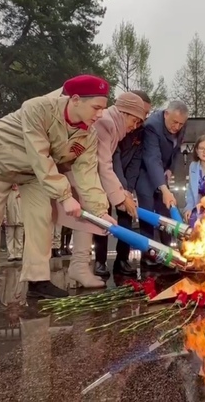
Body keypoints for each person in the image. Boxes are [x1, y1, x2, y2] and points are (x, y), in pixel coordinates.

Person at [0, 75, 112, 312]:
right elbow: (39, 154)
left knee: (42, 219)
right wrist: (65, 196)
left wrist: (100, 211)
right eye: (96, 107)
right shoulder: (37, 108)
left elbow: (87, 173)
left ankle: (37, 280)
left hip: (34, 174)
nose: (100, 114)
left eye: (103, 108)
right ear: (75, 100)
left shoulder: (89, 135)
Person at [70, 92, 146, 282]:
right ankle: (79, 266)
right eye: (134, 121)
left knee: (90, 215)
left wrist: (122, 192)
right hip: (76, 173)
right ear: (125, 113)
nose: (134, 127)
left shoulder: (114, 127)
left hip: (85, 175)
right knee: (92, 213)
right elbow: (104, 164)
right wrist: (120, 198)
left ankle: (79, 267)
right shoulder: (107, 123)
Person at [94, 90, 152, 278]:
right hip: (108, 174)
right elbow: (112, 158)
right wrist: (120, 189)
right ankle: (100, 261)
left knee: (126, 218)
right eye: (140, 113)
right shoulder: (114, 126)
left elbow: (136, 159)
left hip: (124, 179)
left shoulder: (140, 130)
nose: (142, 119)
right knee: (103, 215)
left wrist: (128, 188)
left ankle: (122, 259)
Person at [135, 100, 189, 269]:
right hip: (144, 171)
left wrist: (170, 169)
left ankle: (167, 253)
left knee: (165, 213)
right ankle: (148, 255)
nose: (177, 127)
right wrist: (164, 188)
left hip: (162, 170)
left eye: (181, 124)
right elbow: (152, 159)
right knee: (148, 211)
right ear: (166, 114)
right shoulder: (152, 126)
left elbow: (176, 149)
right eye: (174, 122)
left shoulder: (181, 124)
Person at [4, 184, 24, 261]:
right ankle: (11, 254)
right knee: (10, 238)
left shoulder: (22, 192)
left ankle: (19, 254)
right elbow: (4, 206)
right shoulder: (7, 193)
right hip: (10, 219)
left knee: (19, 238)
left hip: (20, 219)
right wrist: (4, 217)